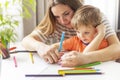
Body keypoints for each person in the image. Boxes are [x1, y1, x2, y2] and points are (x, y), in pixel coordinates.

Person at [21, 0, 120, 65]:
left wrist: (84, 58)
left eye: (66, 14)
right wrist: (40, 46)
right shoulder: (55, 22)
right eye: (57, 16)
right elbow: (26, 40)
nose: (63, 21)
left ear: (76, 8)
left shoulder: (94, 17)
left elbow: (117, 49)